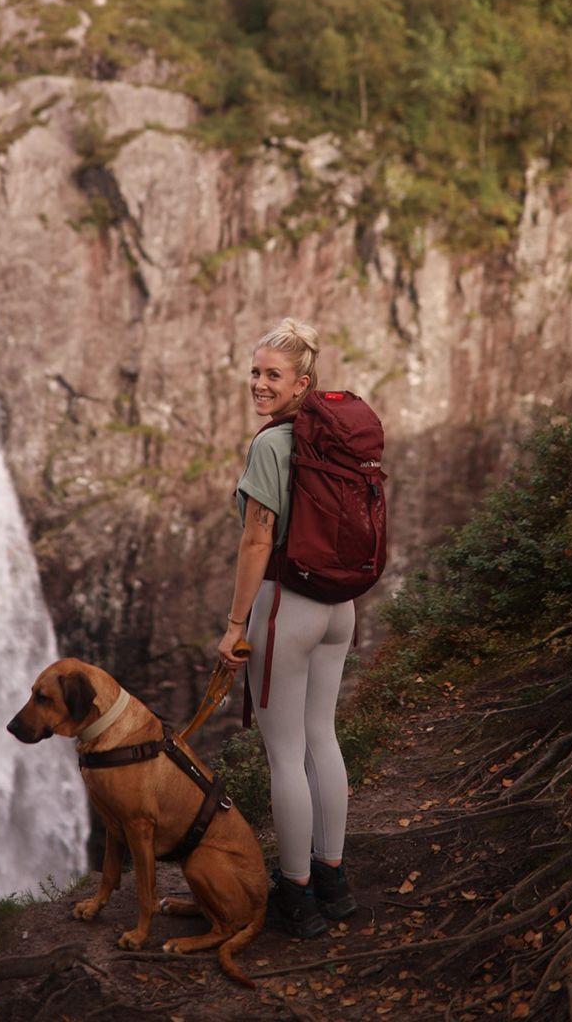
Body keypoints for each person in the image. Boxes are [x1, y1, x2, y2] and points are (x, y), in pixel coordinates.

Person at [216, 317, 357, 939]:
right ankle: (334, 881)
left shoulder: (273, 445)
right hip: (338, 607)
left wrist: (234, 624)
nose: (259, 384)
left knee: (284, 755)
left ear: (304, 382)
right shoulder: (339, 438)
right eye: (255, 372)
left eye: (273, 375)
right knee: (321, 738)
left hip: (286, 606)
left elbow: (257, 537)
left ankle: (296, 897)